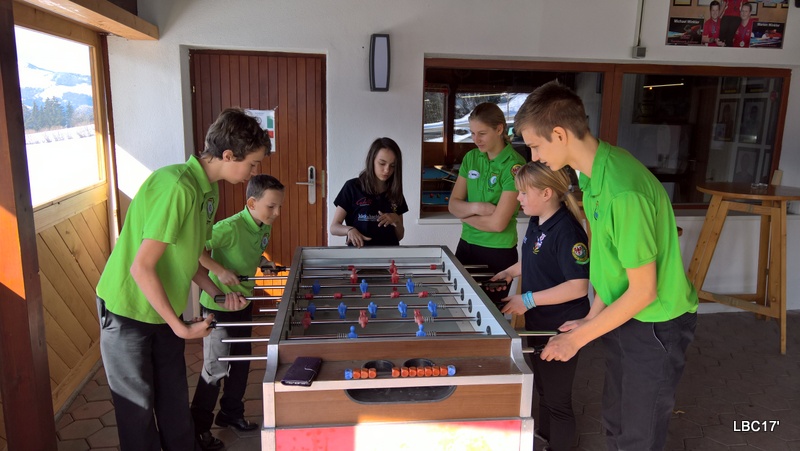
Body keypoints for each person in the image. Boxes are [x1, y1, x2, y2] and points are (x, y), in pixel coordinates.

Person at [515, 80, 698, 451]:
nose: (534, 156)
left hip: (654, 324)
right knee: (615, 421)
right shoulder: (592, 174)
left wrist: (576, 339)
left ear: (559, 134)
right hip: (623, 315)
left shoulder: (622, 190)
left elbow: (643, 291)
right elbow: (610, 266)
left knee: (637, 435)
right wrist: (590, 318)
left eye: (535, 145)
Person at [95, 107, 271, 451]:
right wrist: (180, 327)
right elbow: (141, 268)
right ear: (228, 155)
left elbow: (189, 256)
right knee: (138, 414)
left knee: (175, 407)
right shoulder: (176, 186)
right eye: (252, 164)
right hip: (127, 311)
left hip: (164, 312)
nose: (254, 172)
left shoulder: (208, 191)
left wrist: (217, 293)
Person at [490, 161, 589, 451]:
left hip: (561, 325)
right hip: (539, 321)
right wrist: (510, 272)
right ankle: (545, 440)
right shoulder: (537, 220)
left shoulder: (568, 231)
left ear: (546, 193)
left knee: (558, 400)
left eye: (523, 192)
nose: (518, 198)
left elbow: (578, 286)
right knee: (543, 391)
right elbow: (536, 259)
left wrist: (526, 300)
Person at [190, 174, 285, 450]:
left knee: (241, 362)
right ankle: (198, 429)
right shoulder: (228, 227)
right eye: (271, 206)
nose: (277, 213)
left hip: (243, 302)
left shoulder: (263, 225)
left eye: (279, 206)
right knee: (215, 368)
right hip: (218, 306)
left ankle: (231, 412)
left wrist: (264, 263)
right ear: (252, 203)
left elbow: (254, 252)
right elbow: (195, 250)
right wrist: (219, 270)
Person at [448, 102, 526, 308]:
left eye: (482, 133)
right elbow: (453, 205)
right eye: (472, 133)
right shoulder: (471, 158)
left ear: (499, 129)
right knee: (460, 309)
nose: (476, 140)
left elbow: (498, 224)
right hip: (466, 246)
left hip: (498, 252)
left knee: (490, 315)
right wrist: (477, 208)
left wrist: (464, 216)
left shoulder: (515, 166)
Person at [331, 137, 408, 247]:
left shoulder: (395, 191)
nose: (387, 170)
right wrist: (349, 230)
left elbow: (399, 236)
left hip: (389, 253)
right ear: (372, 161)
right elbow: (334, 227)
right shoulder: (352, 187)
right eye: (382, 163)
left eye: (392, 166)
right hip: (359, 253)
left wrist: (396, 220)